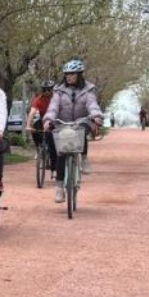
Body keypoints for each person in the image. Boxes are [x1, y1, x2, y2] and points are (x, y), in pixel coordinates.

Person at [44, 59, 103, 203]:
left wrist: (96, 116)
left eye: (72, 74)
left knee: (81, 131)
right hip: (62, 124)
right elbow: (53, 107)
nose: (69, 77)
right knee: (62, 154)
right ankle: (59, 188)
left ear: (80, 75)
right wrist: (48, 119)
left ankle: (83, 158)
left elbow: (92, 104)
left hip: (82, 120)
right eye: (67, 74)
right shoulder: (58, 90)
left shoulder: (88, 89)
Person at [27, 81, 56, 171]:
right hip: (43, 120)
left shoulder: (56, 99)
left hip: (55, 121)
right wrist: (28, 125)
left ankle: (54, 167)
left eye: (49, 90)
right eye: (44, 90)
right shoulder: (38, 99)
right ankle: (39, 149)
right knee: (35, 128)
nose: (47, 92)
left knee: (53, 143)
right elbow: (32, 113)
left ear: (52, 90)